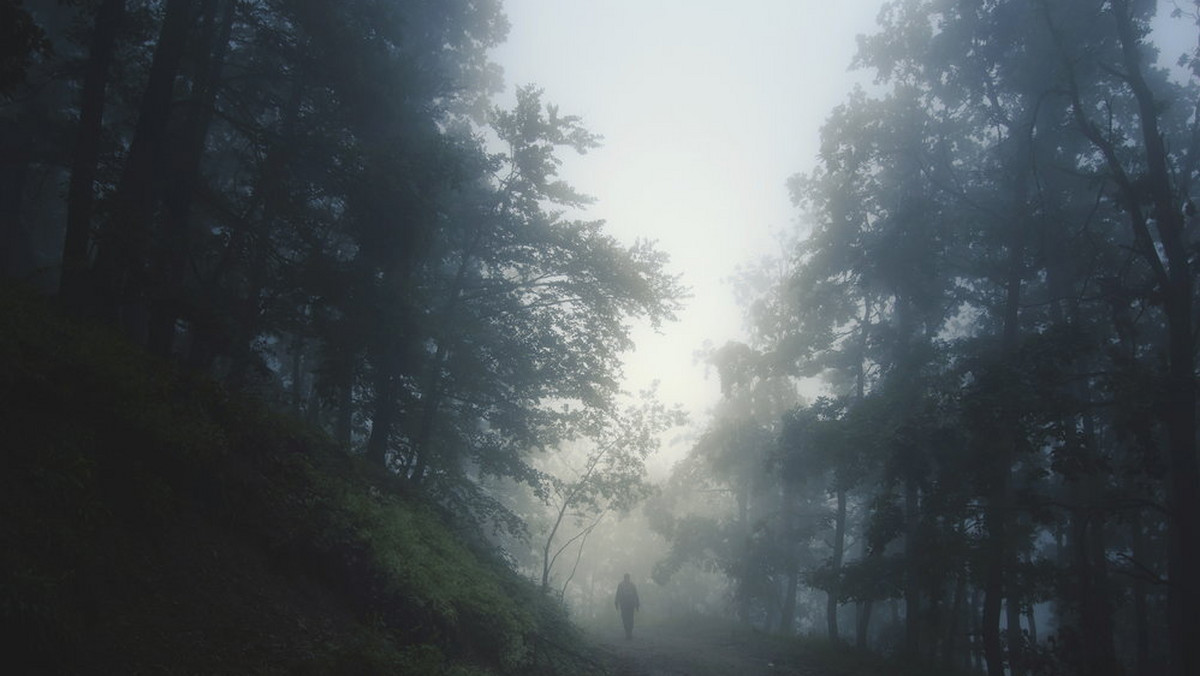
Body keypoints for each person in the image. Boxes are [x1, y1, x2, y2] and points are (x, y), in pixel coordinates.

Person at [614, 572, 640, 639]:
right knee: (629, 618)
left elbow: (618, 595)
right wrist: (637, 605)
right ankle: (629, 633)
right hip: (630, 604)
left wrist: (616, 603)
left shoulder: (621, 585)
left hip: (624, 605)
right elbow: (636, 595)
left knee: (625, 618)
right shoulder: (632, 585)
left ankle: (628, 632)